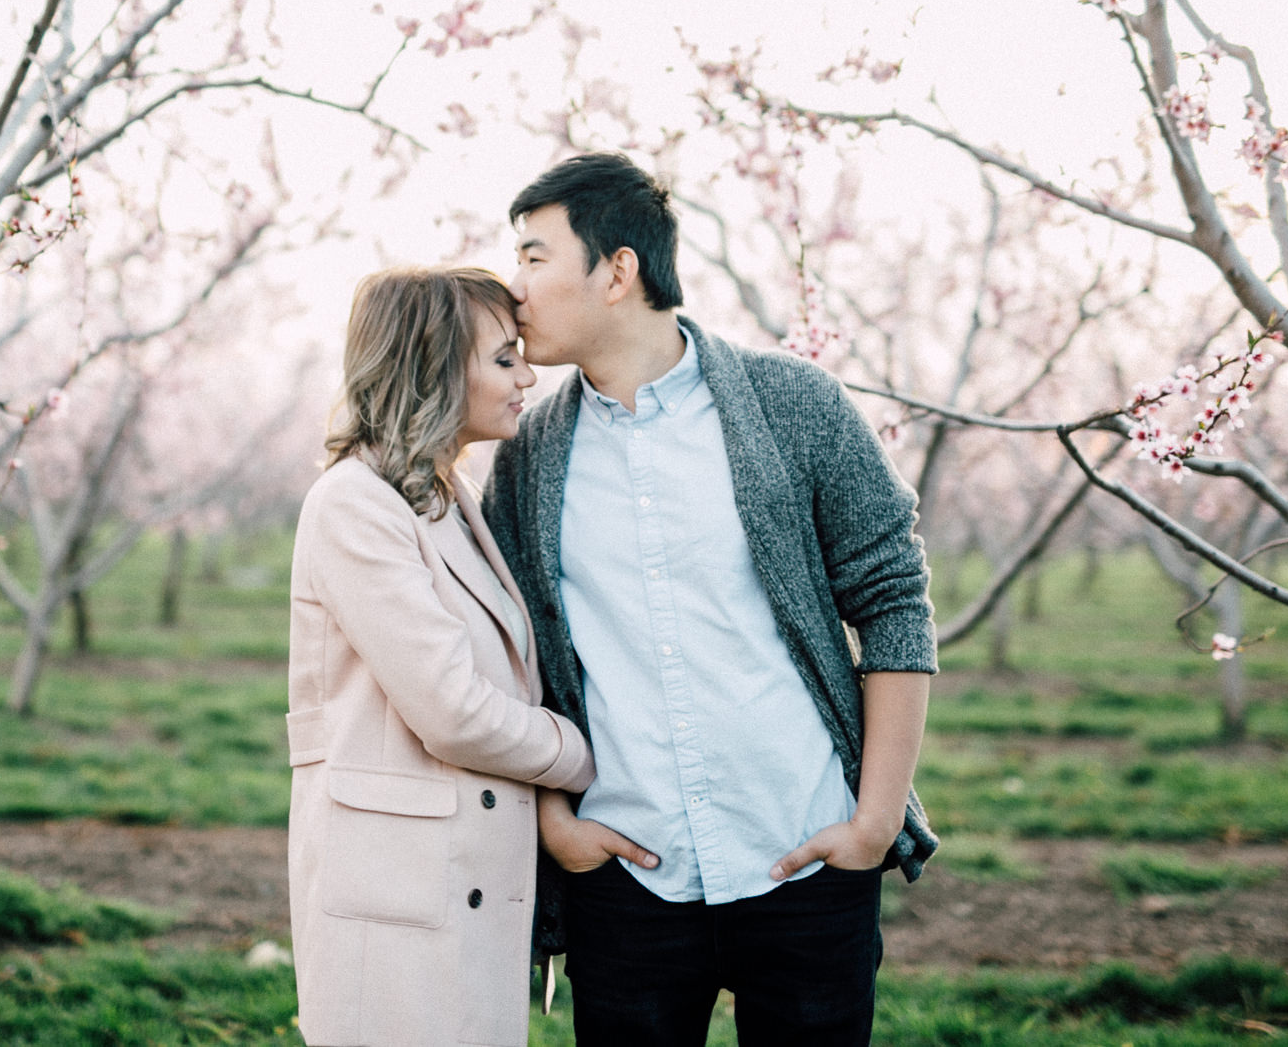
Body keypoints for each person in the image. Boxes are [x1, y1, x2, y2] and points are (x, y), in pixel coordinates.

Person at [482, 152, 939, 1047]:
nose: (515, 285)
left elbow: (893, 597)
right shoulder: (530, 455)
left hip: (806, 854)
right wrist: (556, 824)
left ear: (618, 270)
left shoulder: (793, 404)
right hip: (628, 878)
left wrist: (875, 821)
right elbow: (514, 653)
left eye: (535, 256)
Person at [287, 265, 600, 1047]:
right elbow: (453, 712)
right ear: (432, 366)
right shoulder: (354, 504)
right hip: (398, 895)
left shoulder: (445, 490)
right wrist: (584, 756)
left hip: (453, 879)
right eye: (502, 358)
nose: (528, 375)